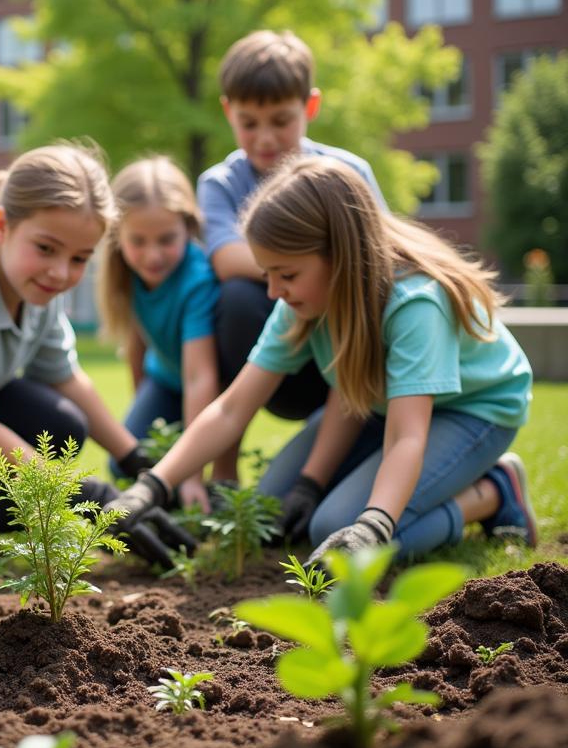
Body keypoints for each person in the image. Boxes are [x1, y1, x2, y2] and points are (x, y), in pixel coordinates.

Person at [107, 155, 536, 567]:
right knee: (272, 508)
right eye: (267, 272)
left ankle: (493, 491)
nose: (272, 291)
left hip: (472, 410)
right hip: (382, 406)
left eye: (286, 275)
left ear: (341, 257)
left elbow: (407, 436)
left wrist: (374, 525)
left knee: (338, 530)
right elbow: (231, 408)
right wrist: (151, 488)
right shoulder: (305, 300)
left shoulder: (415, 303)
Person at [0, 143, 193, 567]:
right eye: (46, 249)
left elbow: (66, 377)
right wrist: (91, 499)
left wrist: (139, 466)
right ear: (3, 225)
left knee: (63, 424)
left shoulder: (37, 284)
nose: (61, 272)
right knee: (5, 495)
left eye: (80, 258)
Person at [197, 29, 387, 483]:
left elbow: (377, 267)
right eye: (249, 123)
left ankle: (343, 446)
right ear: (228, 112)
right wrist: (311, 269)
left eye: (281, 121)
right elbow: (226, 260)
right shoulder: (220, 182)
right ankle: (225, 470)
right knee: (235, 297)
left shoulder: (348, 172)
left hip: (348, 349)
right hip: (274, 348)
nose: (265, 138)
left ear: (310, 107)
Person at [96, 155, 224, 510]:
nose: (153, 256)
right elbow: (137, 345)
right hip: (164, 382)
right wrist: (141, 422)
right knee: (123, 463)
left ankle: (191, 488)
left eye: (166, 239)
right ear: (118, 236)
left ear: (188, 227)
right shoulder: (127, 275)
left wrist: (194, 474)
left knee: (182, 478)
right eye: (138, 241)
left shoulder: (196, 280)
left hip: (205, 390)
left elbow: (200, 378)